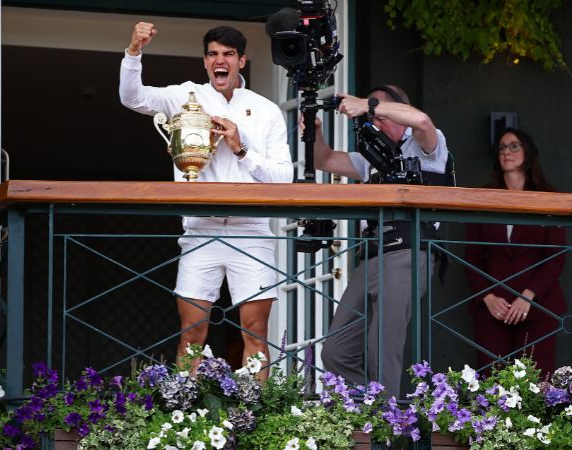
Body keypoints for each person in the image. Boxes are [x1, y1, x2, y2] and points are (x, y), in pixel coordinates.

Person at [119, 22, 293, 378]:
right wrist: (134, 50)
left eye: (229, 54)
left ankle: (259, 422)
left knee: (255, 334)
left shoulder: (266, 110)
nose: (221, 60)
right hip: (200, 229)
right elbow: (132, 97)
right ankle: (186, 422)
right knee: (192, 335)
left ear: (241, 61)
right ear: (205, 62)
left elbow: (284, 179)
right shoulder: (186, 95)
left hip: (252, 230)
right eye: (213, 54)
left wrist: (240, 148)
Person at [310, 85, 451, 397]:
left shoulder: (427, 144)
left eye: (380, 113)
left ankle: (384, 431)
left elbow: (423, 121)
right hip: (371, 256)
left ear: (398, 112)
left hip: (407, 251)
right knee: (335, 350)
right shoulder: (371, 157)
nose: (374, 121)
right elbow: (324, 159)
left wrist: (367, 104)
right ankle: (363, 411)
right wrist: (315, 130)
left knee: (382, 346)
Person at [465, 128, 566, 377]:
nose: (506, 152)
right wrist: (487, 297)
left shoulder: (549, 198)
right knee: (492, 384)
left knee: (536, 382)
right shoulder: (484, 197)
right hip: (493, 308)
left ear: (528, 153)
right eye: (501, 148)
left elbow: (556, 257)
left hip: (538, 306)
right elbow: (472, 256)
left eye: (513, 146)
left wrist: (528, 297)